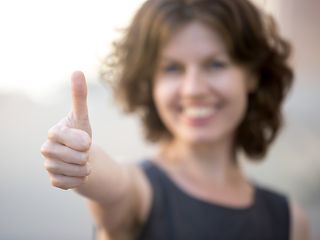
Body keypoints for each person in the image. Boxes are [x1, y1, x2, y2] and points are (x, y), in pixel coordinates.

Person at [40, 0, 309, 239]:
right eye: (172, 68)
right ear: (150, 84)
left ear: (252, 75)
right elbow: (115, 186)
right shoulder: (140, 192)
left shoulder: (291, 222)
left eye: (215, 64)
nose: (193, 89)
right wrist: (85, 161)